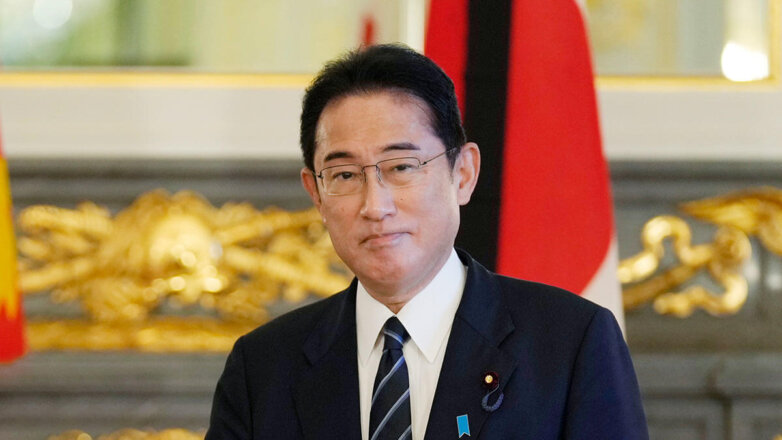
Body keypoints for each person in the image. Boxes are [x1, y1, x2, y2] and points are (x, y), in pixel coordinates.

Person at [206, 44, 648, 440]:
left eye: (401, 167)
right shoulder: (262, 367)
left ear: (463, 174)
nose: (375, 206)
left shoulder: (570, 344)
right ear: (316, 194)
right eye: (344, 175)